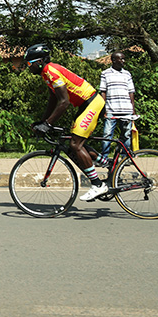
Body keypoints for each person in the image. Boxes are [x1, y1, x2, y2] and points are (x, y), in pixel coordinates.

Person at [25, 44, 109, 202]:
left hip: (91, 103)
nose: (28, 67)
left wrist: (48, 124)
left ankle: (98, 185)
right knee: (74, 142)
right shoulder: (46, 73)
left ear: (40, 61)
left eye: (30, 63)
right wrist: (44, 121)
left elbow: (64, 102)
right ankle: (108, 164)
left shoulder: (51, 71)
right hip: (85, 104)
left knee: (75, 145)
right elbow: (53, 99)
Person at [98, 52, 136, 164]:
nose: (123, 61)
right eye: (121, 59)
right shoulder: (105, 74)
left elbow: (131, 92)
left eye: (124, 59)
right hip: (111, 109)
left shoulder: (127, 74)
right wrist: (103, 108)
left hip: (126, 110)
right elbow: (103, 91)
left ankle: (125, 158)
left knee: (126, 135)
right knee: (107, 135)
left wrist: (133, 108)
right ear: (114, 60)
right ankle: (104, 158)